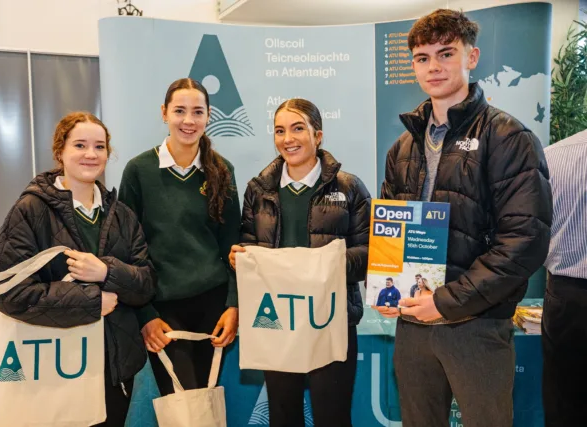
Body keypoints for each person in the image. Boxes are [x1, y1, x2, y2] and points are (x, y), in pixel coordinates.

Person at [378, 9, 552, 427]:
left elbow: (524, 242)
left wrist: (446, 303)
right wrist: (388, 289)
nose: (433, 67)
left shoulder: (509, 137)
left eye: (445, 53)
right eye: (422, 57)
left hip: (476, 327)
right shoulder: (402, 147)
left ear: (471, 57)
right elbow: (391, 232)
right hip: (413, 324)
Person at [0, 112, 156, 426]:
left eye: (100, 146)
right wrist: (92, 301)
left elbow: (146, 284)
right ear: (59, 152)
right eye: (80, 145)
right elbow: (10, 292)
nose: (91, 154)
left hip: (114, 368)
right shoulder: (30, 210)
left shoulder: (122, 215)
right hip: (55, 367)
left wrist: (106, 272)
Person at [228, 98, 371, 427]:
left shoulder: (349, 188)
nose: (287, 138)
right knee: (282, 416)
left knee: (332, 417)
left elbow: (368, 256)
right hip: (278, 321)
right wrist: (241, 258)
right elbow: (249, 245)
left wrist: (317, 264)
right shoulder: (258, 190)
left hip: (330, 321)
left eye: (297, 129)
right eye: (279, 131)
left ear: (317, 136)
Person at [118, 78, 241, 395]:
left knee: (204, 399)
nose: (189, 121)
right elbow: (125, 250)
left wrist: (233, 305)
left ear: (209, 116)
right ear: (164, 113)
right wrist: (145, 315)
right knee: (181, 403)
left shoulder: (222, 170)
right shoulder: (139, 170)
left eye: (198, 112)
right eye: (180, 111)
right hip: (163, 308)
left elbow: (233, 247)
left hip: (213, 307)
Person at [542, 130, 587, 426]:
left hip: (569, 300)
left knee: (566, 406)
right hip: (567, 294)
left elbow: (532, 234)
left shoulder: (553, 156)